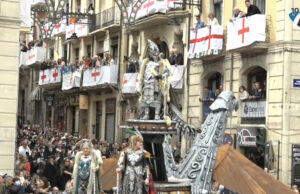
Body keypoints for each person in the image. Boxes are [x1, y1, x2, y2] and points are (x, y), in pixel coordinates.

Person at [137, 39, 171, 120]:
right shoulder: (146, 63)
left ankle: (157, 115)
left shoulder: (162, 63)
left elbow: (168, 72)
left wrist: (161, 75)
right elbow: (142, 74)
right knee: (146, 99)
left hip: (157, 84)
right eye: (154, 53)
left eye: (157, 53)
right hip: (147, 84)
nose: (156, 54)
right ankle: (146, 114)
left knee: (157, 99)